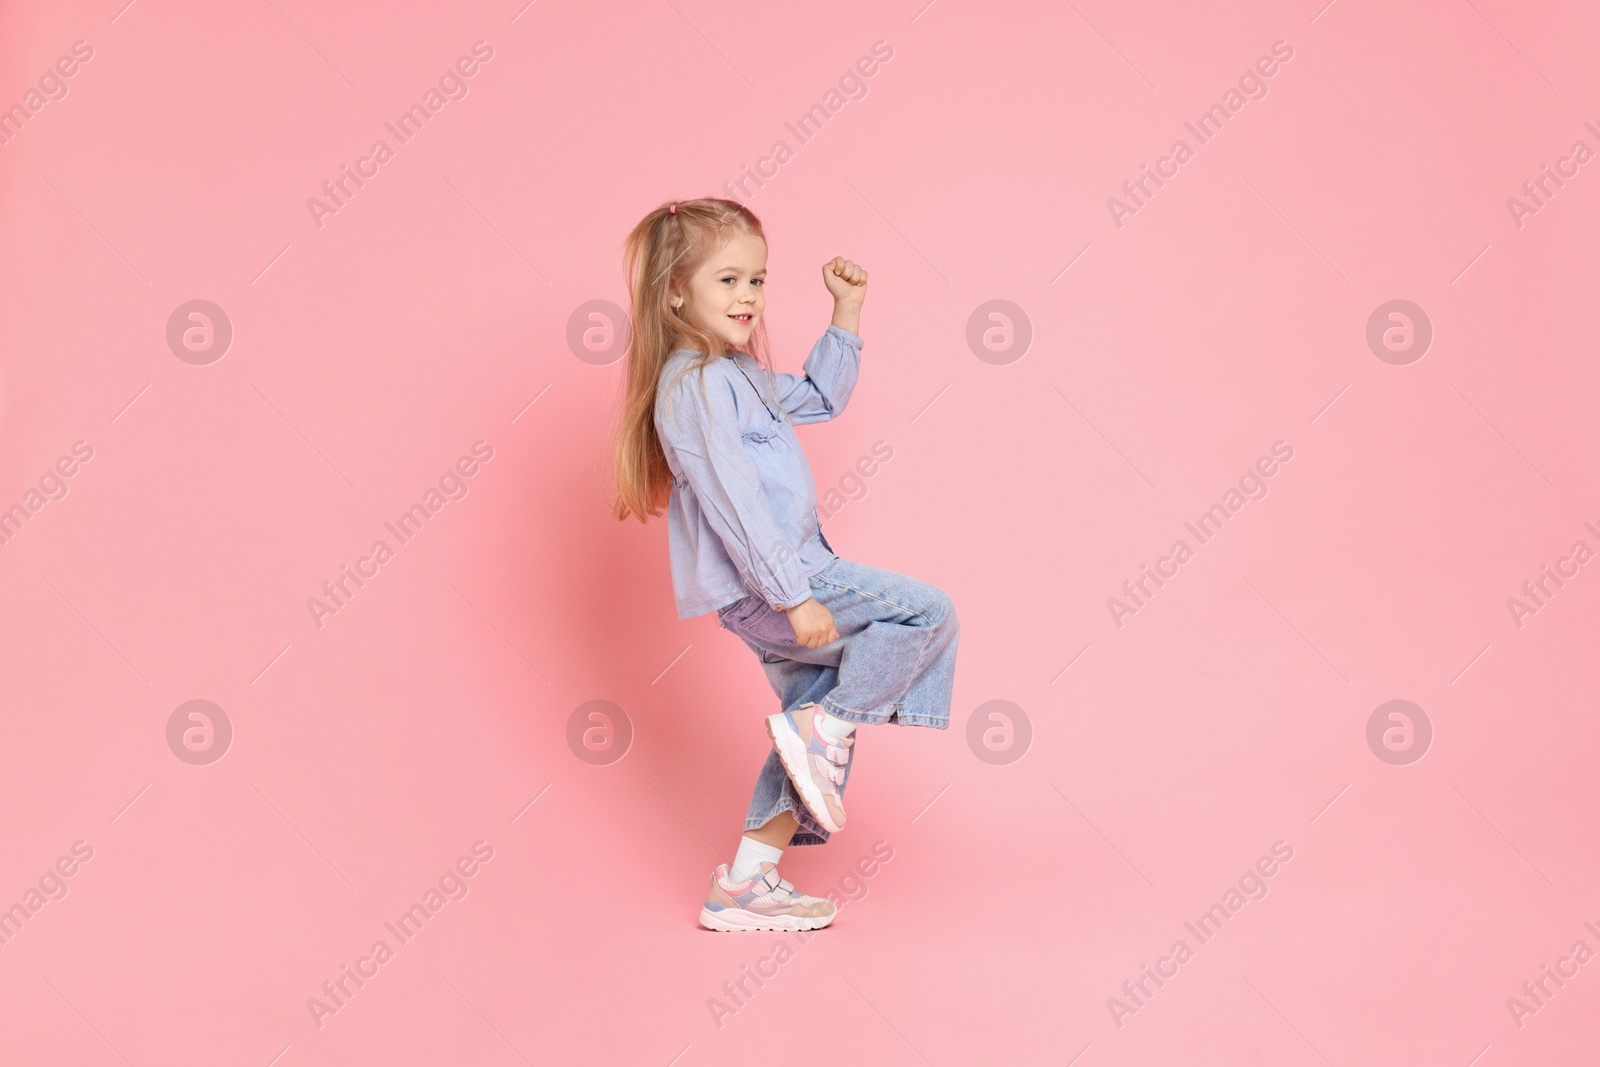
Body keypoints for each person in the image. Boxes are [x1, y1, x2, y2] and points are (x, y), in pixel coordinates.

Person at [610, 197, 960, 932]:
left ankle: (746, 881)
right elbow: (736, 503)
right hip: (772, 580)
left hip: (780, 579)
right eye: (728, 280)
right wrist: (794, 594)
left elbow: (821, 397)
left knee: (810, 723)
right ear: (675, 290)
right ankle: (827, 728)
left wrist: (847, 311)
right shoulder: (695, 386)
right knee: (927, 612)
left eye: (758, 281)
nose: (748, 297)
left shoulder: (733, 374)